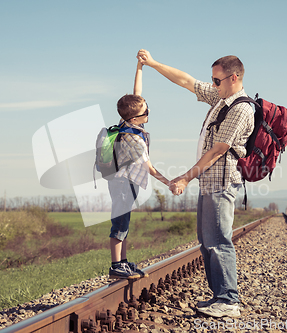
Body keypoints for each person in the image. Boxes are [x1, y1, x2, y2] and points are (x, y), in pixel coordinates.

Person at [137, 49, 254, 318]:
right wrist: (153, 64)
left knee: (218, 241)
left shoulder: (240, 108)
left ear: (233, 78)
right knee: (206, 241)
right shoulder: (221, 98)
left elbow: (217, 151)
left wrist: (185, 177)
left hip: (221, 182)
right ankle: (219, 298)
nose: (212, 85)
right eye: (212, 80)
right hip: (209, 183)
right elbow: (186, 81)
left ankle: (228, 301)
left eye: (217, 80)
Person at [108, 59, 171, 279]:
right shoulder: (134, 139)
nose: (149, 111)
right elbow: (150, 168)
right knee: (120, 223)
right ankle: (116, 265)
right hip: (123, 183)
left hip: (124, 181)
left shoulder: (128, 122)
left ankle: (123, 262)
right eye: (147, 111)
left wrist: (140, 67)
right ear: (136, 118)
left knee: (124, 222)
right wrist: (170, 182)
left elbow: (137, 94)